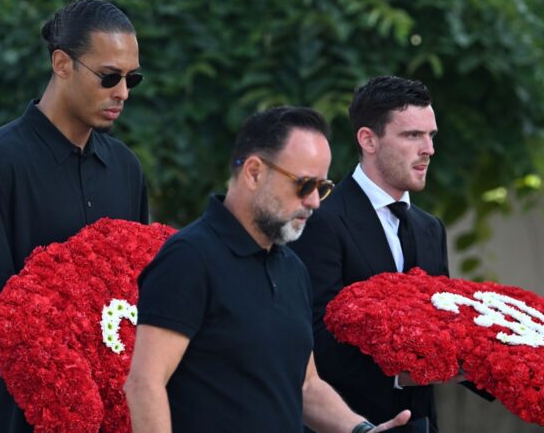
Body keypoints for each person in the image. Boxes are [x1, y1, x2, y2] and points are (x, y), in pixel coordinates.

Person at [125, 106, 411, 433]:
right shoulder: (189, 257)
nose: (315, 202)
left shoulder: (293, 269)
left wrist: (361, 430)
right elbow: (145, 383)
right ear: (254, 172)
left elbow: (305, 386)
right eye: (305, 185)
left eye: (322, 188)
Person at [0, 0, 149, 433]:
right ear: (62, 64)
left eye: (132, 78)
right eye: (109, 77)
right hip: (20, 418)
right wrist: (65, 388)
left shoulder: (126, 168)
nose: (122, 92)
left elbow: (137, 295)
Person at [290, 76, 486, 433]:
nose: (428, 149)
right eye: (412, 135)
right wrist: (404, 372)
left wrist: (510, 363)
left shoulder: (431, 229)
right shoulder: (321, 220)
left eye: (431, 136)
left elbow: (443, 328)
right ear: (368, 140)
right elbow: (314, 343)